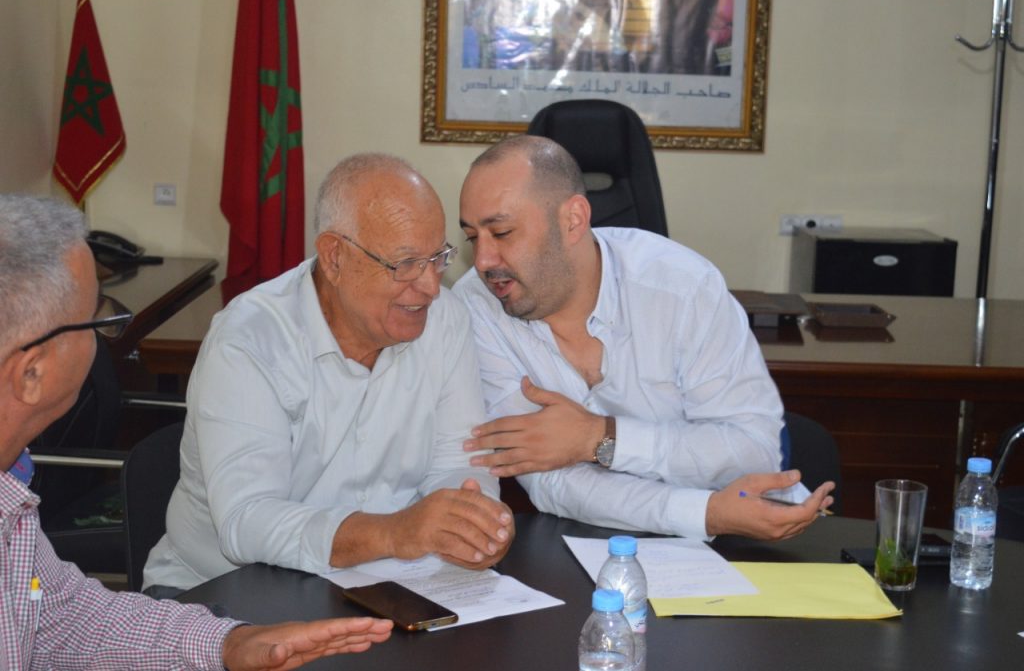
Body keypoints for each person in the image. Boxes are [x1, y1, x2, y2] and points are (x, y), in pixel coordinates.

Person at [0, 194, 392, 669]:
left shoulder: (11, 489)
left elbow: (63, 617)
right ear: (31, 373)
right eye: (94, 321)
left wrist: (230, 644)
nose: (101, 341)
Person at [145, 153, 514, 593]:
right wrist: (394, 533)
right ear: (334, 257)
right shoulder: (249, 341)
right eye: (405, 264)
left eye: (438, 257)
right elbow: (247, 522)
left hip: (382, 587)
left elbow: (459, 463)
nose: (431, 286)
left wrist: (473, 522)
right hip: (223, 595)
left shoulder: (446, 320)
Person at [453, 135, 834, 541]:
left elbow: (753, 452)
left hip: (736, 539)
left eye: (502, 232)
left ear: (573, 220)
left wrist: (600, 437)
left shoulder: (682, 288)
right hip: (594, 540)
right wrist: (704, 513)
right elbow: (551, 482)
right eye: (473, 237)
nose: (483, 261)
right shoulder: (474, 308)